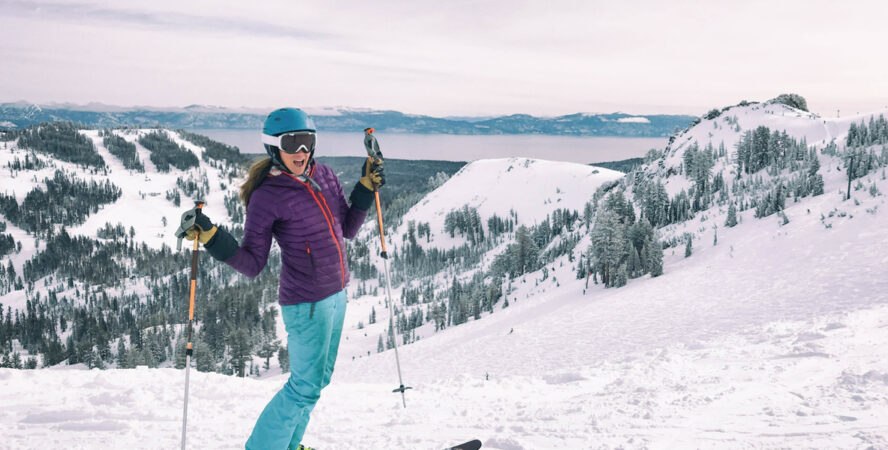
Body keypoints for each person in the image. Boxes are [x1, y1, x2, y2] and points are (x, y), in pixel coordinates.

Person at [182, 107, 384, 450]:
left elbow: (348, 229)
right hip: (306, 303)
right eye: (292, 143)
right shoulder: (267, 197)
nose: (301, 152)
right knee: (303, 387)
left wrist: (365, 188)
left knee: (316, 383)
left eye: (307, 142)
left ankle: (289, 445)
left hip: (336, 295)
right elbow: (252, 263)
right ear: (274, 147)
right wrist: (213, 237)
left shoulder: (328, 177)